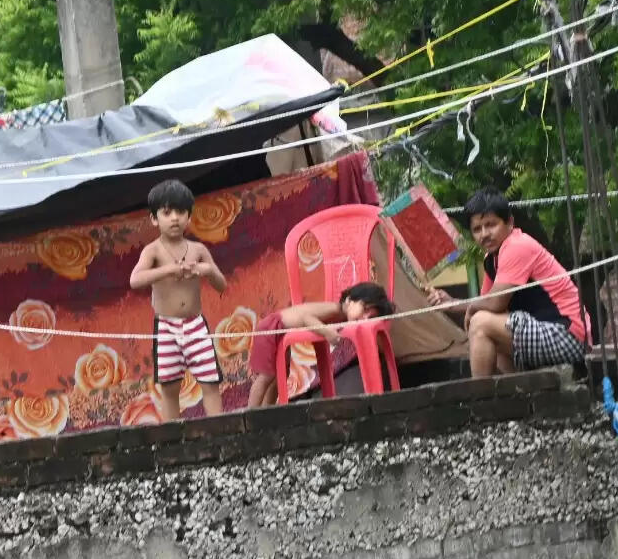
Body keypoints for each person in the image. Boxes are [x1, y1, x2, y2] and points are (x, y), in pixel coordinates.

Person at [428, 188, 591, 376]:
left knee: (481, 324)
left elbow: (494, 304)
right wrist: (450, 303)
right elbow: (486, 303)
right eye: (476, 229)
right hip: (545, 330)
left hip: (567, 334)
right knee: (486, 330)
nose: (484, 234)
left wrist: (471, 310)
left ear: (510, 222)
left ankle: (481, 400)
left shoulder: (516, 246)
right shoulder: (492, 258)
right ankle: (515, 397)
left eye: (490, 225)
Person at [129, 180, 228, 420]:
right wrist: (168, 271)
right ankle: (171, 442)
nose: (174, 218)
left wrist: (207, 271)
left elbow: (221, 285)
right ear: (154, 219)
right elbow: (135, 280)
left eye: (180, 212)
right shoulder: (152, 251)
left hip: (195, 325)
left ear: (189, 217)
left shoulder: (198, 250)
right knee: (170, 387)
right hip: (166, 326)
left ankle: (218, 433)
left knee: (210, 381)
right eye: (166, 212)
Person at [246, 283, 396, 407]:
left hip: (281, 332)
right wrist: (326, 332)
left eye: (370, 317)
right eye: (365, 309)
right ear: (349, 300)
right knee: (267, 376)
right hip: (272, 328)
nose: (364, 318)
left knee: (281, 375)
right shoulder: (335, 309)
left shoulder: (343, 316)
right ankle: (249, 413)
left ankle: (267, 410)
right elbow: (307, 318)